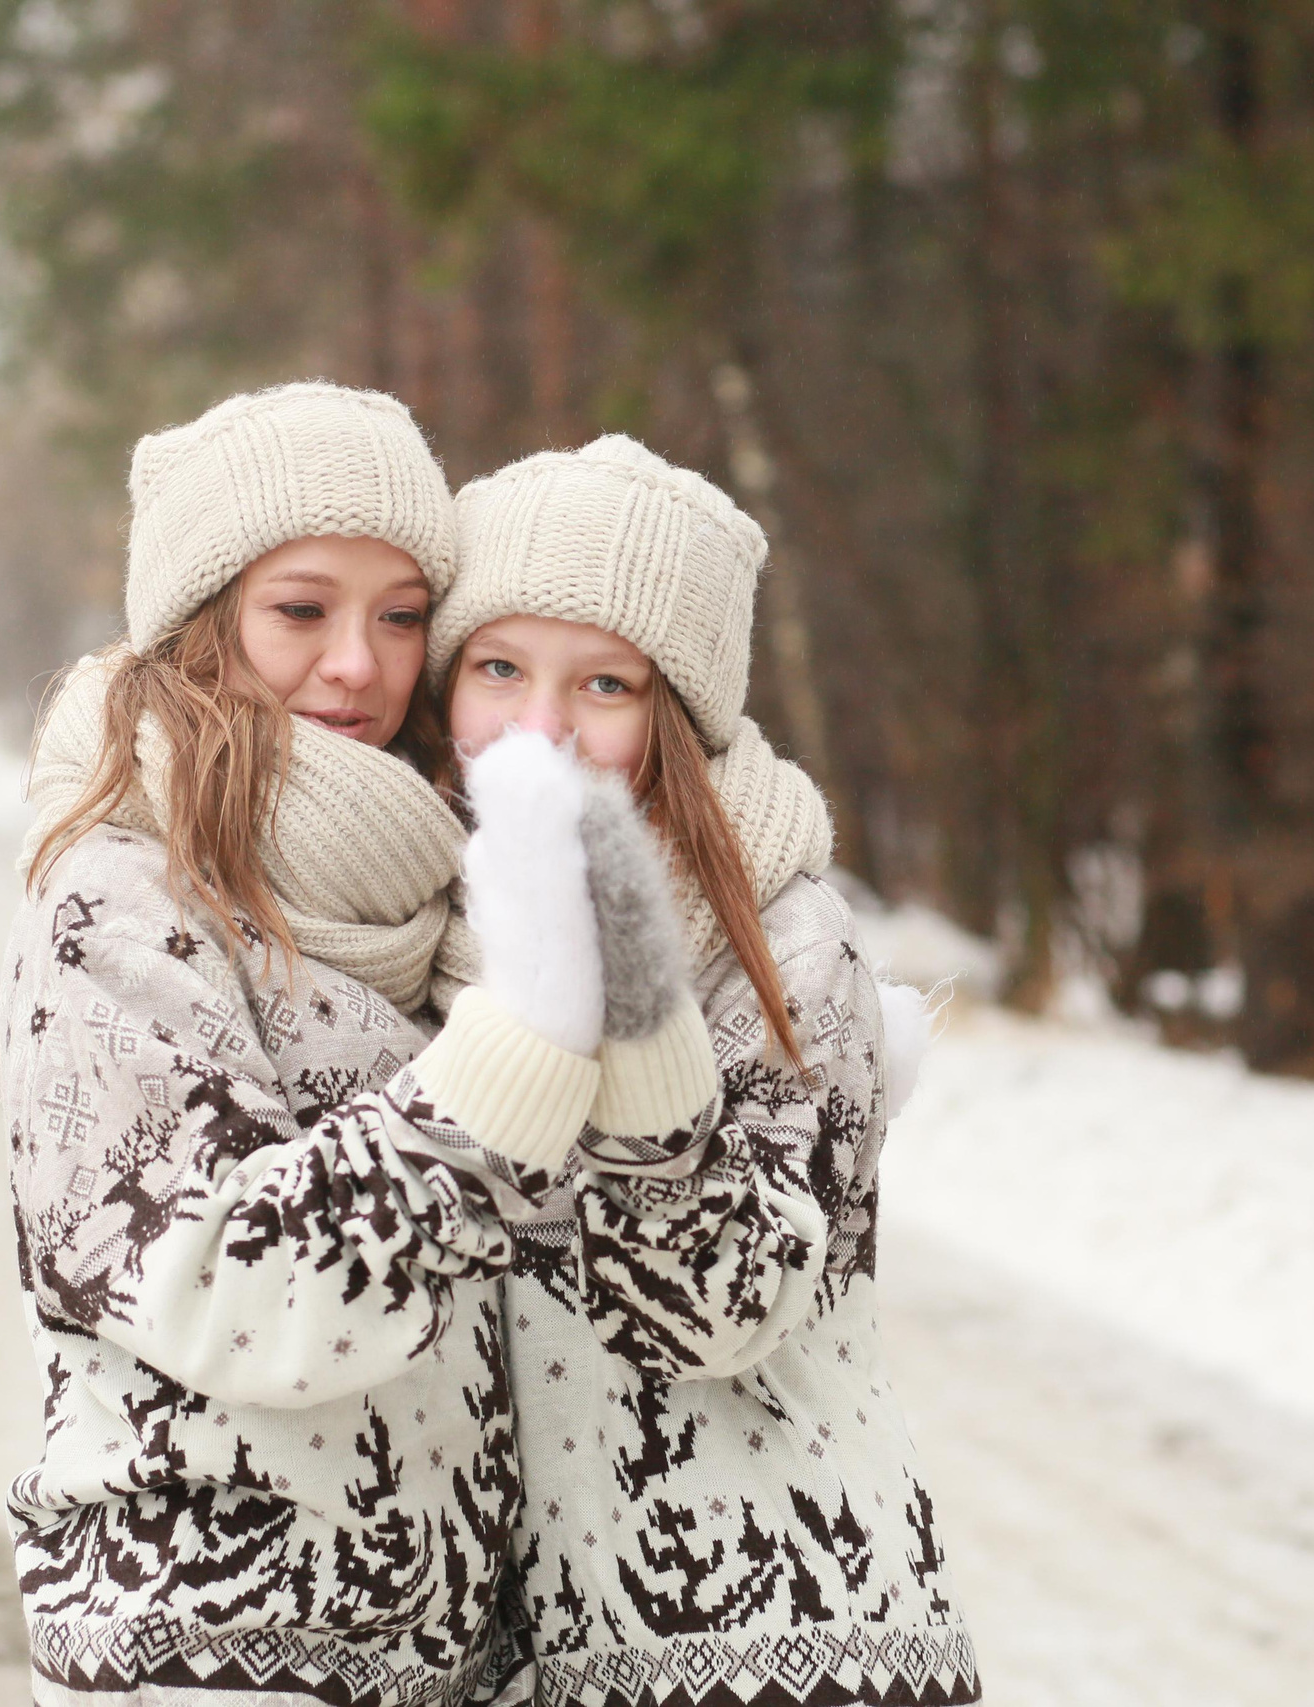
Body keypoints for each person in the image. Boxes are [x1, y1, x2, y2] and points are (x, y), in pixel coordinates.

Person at [0, 384, 704, 1706]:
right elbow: (216, 1288)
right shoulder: (118, 889)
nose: (357, 665)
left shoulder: (429, 879)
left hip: (435, 1651)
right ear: (201, 621)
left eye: (400, 616)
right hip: (210, 1642)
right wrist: (487, 1089)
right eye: (301, 609)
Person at [430, 434, 980, 1706]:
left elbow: (721, 1307)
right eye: (498, 667)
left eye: (605, 684)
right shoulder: (414, 923)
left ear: (674, 714)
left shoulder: (785, 942)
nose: (540, 728)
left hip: (772, 1644)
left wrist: (623, 1005)